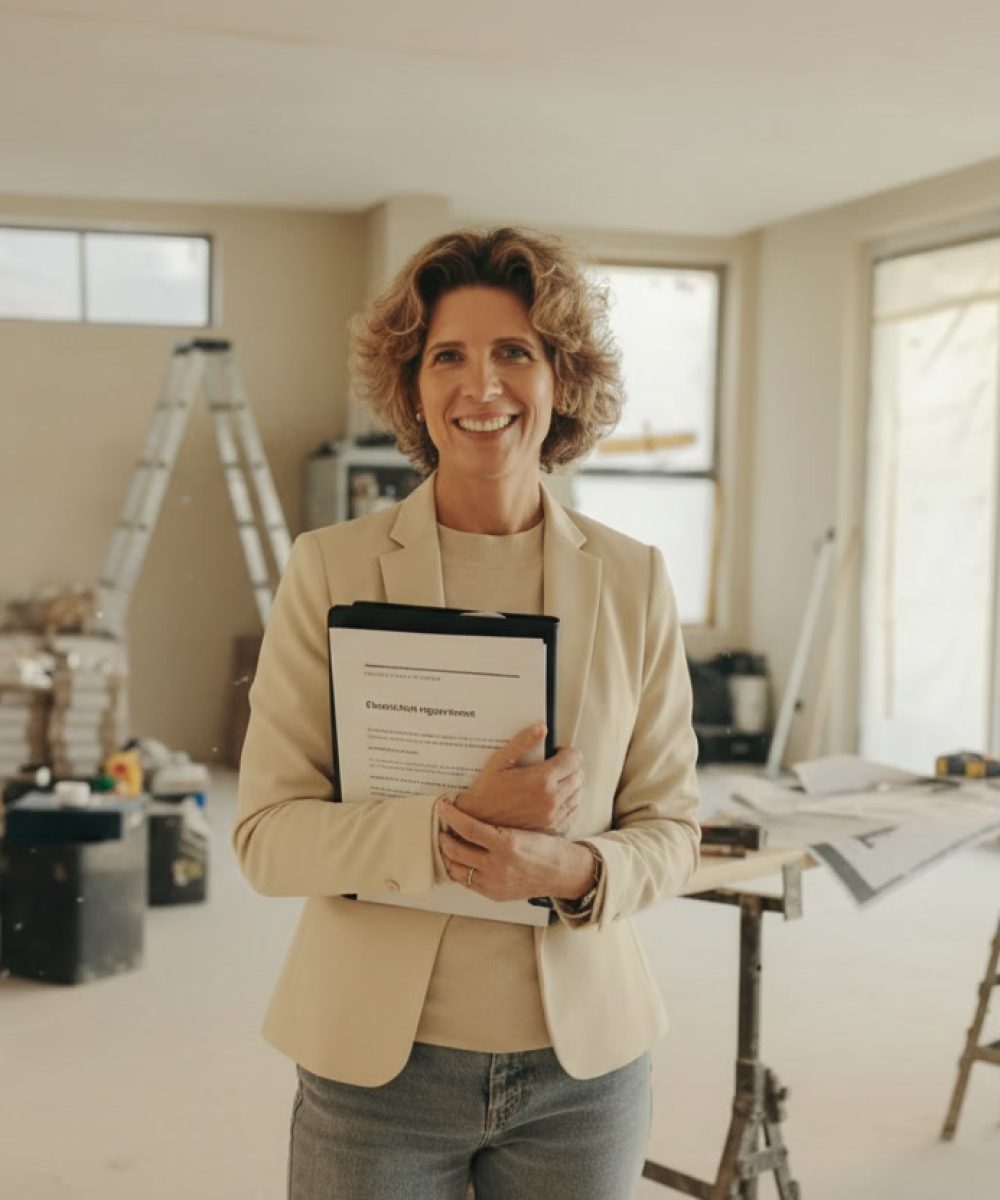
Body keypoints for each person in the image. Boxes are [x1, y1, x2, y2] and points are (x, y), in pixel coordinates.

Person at [235, 227, 701, 1200]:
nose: (480, 386)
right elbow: (267, 839)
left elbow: (673, 827)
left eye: (514, 354)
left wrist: (572, 866)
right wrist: (461, 829)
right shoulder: (330, 567)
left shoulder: (633, 578)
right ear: (409, 387)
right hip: (378, 1075)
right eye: (447, 355)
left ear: (562, 382)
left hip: (583, 1078)